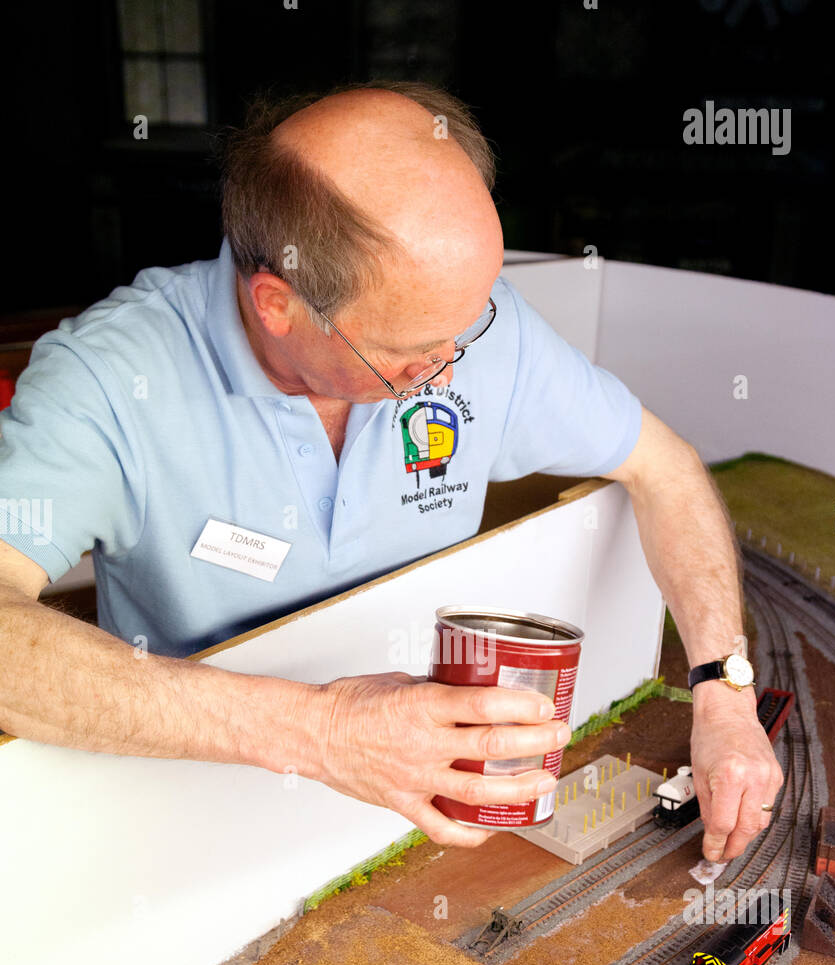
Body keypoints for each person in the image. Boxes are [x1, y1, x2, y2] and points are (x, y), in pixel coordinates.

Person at [0, 80, 781, 860]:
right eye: (409, 353)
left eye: (467, 327)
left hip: (401, 805)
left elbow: (666, 467)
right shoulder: (108, 378)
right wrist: (327, 732)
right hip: (189, 811)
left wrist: (723, 691)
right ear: (278, 303)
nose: (447, 374)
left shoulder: (477, 332)